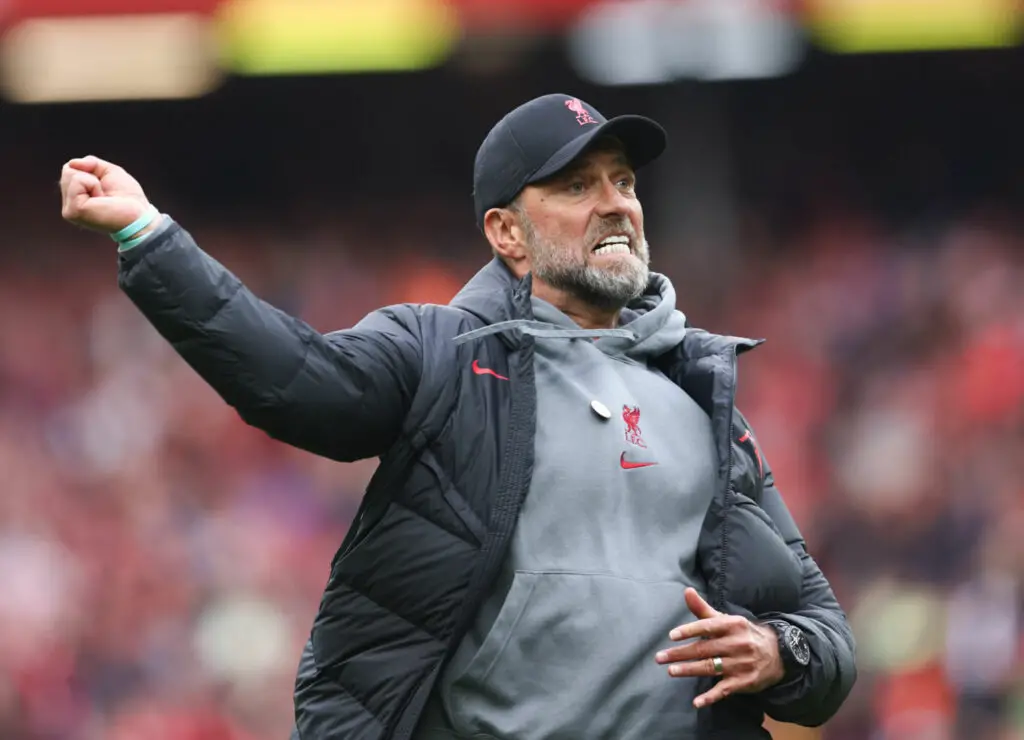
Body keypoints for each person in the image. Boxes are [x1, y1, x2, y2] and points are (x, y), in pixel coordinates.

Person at [60, 93, 856, 740]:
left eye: (624, 182)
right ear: (507, 233)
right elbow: (296, 383)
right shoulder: (444, 353)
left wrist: (777, 650)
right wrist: (148, 236)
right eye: (577, 187)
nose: (615, 204)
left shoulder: (704, 399)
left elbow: (823, 635)